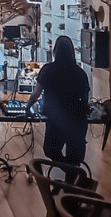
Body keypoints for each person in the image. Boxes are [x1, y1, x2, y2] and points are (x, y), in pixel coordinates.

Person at [26, 35, 90, 166]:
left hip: (56, 118)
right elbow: (85, 101)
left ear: (55, 51)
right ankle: (72, 173)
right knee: (75, 158)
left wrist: (28, 107)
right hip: (77, 120)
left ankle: (68, 169)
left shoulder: (48, 69)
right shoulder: (80, 73)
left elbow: (36, 94)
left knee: (50, 150)